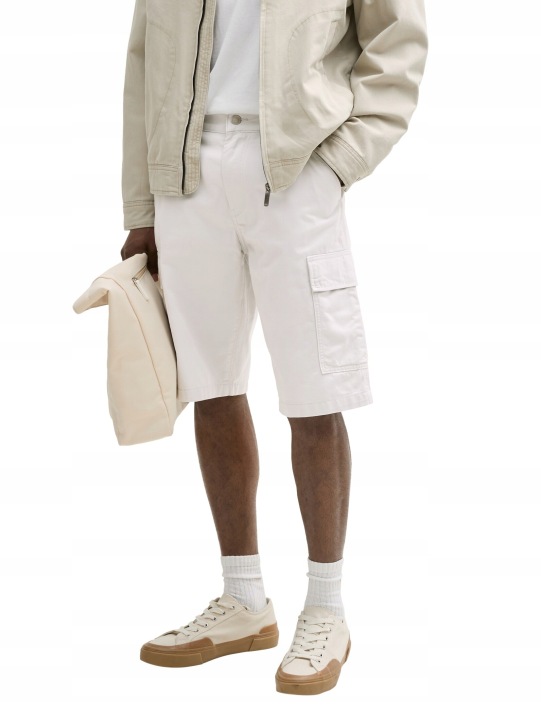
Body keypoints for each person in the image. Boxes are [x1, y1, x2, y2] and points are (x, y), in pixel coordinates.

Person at [120, 0, 428, 695]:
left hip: (294, 169)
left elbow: (398, 41)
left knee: (314, 389)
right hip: (185, 174)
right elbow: (141, 67)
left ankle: (326, 607)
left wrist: (340, 161)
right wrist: (141, 207)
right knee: (210, 385)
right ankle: (243, 600)